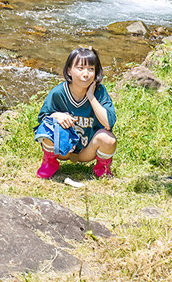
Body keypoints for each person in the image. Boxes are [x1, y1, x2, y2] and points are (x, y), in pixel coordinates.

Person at [34, 46, 117, 186]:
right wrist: (56, 115)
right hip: (63, 149)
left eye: (91, 69)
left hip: (87, 150)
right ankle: (49, 163)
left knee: (108, 139)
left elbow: (108, 123)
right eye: (80, 68)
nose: (86, 74)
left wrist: (91, 96)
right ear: (69, 71)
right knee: (47, 127)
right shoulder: (59, 92)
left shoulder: (99, 92)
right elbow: (42, 118)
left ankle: (102, 168)